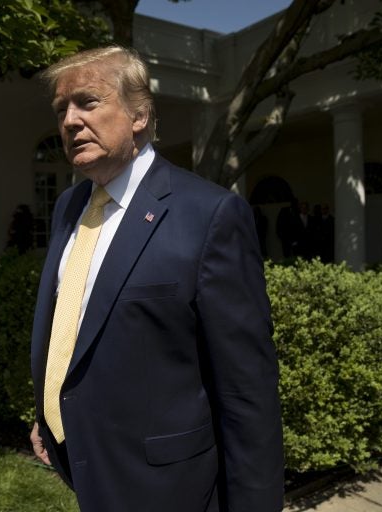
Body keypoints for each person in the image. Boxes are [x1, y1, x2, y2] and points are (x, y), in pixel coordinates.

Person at [29, 46, 284, 511]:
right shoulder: (69, 207)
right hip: (87, 466)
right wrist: (49, 411)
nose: (68, 121)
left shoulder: (209, 215)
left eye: (87, 102)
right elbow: (75, 327)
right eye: (61, 108)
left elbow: (247, 393)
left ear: (139, 114)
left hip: (169, 490)